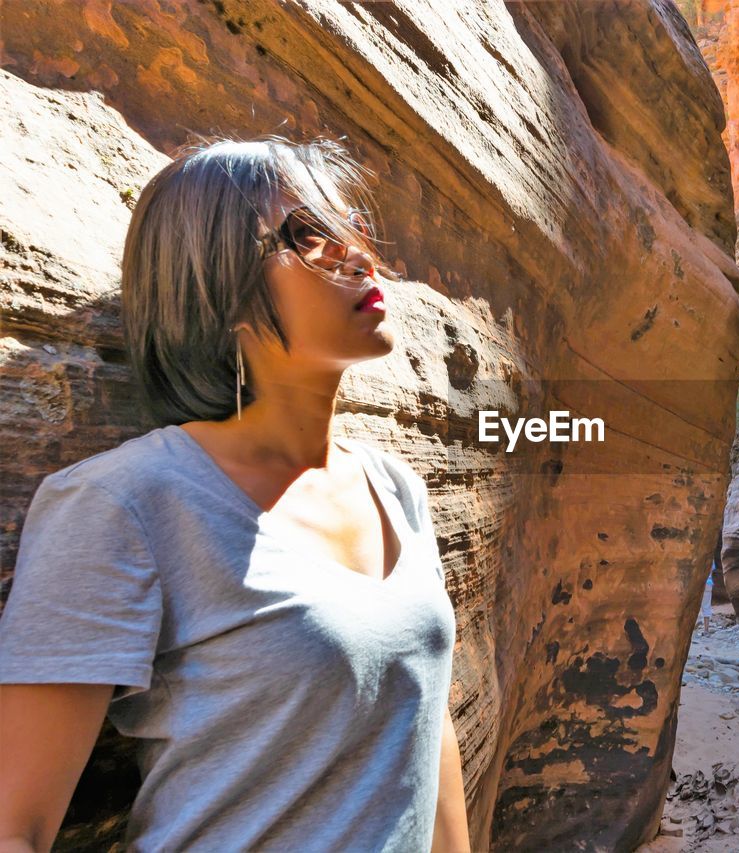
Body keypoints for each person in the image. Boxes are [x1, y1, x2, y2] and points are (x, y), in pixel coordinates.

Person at [0, 136, 469, 852]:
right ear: (214, 281)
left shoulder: (394, 487)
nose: (356, 254)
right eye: (310, 234)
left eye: (355, 227)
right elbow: (15, 826)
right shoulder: (124, 502)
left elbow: (428, 734)